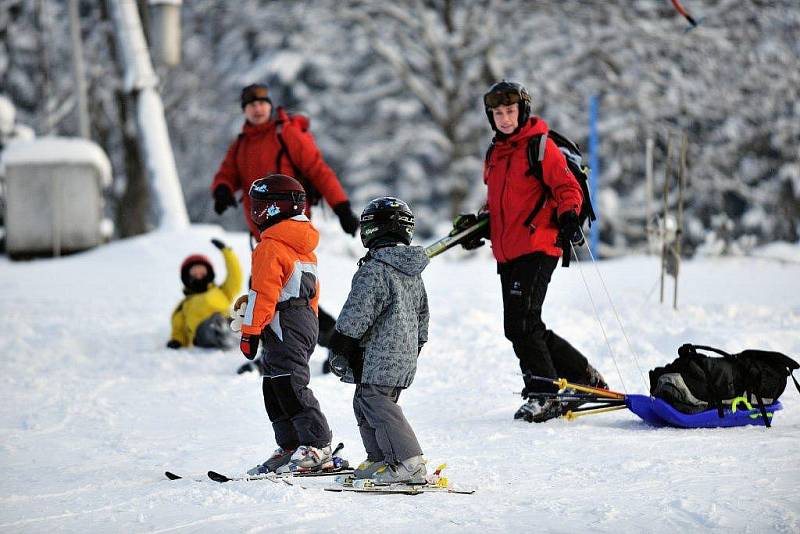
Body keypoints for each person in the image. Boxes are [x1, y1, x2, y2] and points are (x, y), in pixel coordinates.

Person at [466, 80, 607, 423]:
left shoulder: (540, 147)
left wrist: (570, 216)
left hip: (538, 245)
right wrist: (477, 226)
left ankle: (544, 393)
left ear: (522, 111)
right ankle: (583, 376)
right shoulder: (495, 154)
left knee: (522, 324)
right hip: (509, 251)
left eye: (510, 111)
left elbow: (566, 187)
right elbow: (500, 205)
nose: (504, 118)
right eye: (497, 113)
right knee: (523, 325)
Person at [210, 83, 357, 370]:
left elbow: (318, 169)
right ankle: (276, 354)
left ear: (270, 105)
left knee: (286, 295)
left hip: (290, 233)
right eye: (251, 104)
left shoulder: (285, 133)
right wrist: (223, 189)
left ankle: (338, 346)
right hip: (263, 233)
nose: (257, 108)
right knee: (274, 294)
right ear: (244, 110)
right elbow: (227, 172)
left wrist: (342, 207)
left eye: (262, 102)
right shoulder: (242, 143)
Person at [328, 197, 429, 485]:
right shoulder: (411, 271)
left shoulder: (376, 268)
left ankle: (408, 461)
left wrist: (342, 341)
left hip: (378, 353)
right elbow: (423, 313)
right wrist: (417, 344)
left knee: (377, 402)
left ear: (377, 229)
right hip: (401, 352)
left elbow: (359, 309)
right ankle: (382, 457)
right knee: (365, 401)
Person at [237, 174, 333, 474]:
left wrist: (250, 331)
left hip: (283, 321)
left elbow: (263, 293)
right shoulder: (301, 244)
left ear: (276, 208)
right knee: (275, 384)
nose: (255, 212)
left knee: (288, 383)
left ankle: (317, 445)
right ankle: (292, 444)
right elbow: (306, 291)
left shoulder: (269, 247)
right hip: (297, 319)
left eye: (260, 205)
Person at [167, 238, 242, 349]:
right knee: (215, 323)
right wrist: (177, 340)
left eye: (202, 270)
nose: (198, 274)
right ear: (187, 277)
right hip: (202, 332)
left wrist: (227, 252)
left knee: (239, 317)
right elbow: (178, 326)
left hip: (227, 321)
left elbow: (235, 276)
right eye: (194, 271)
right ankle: (226, 335)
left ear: (209, 273)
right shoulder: (184, 305)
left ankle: (240, 334)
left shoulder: (222, 291)